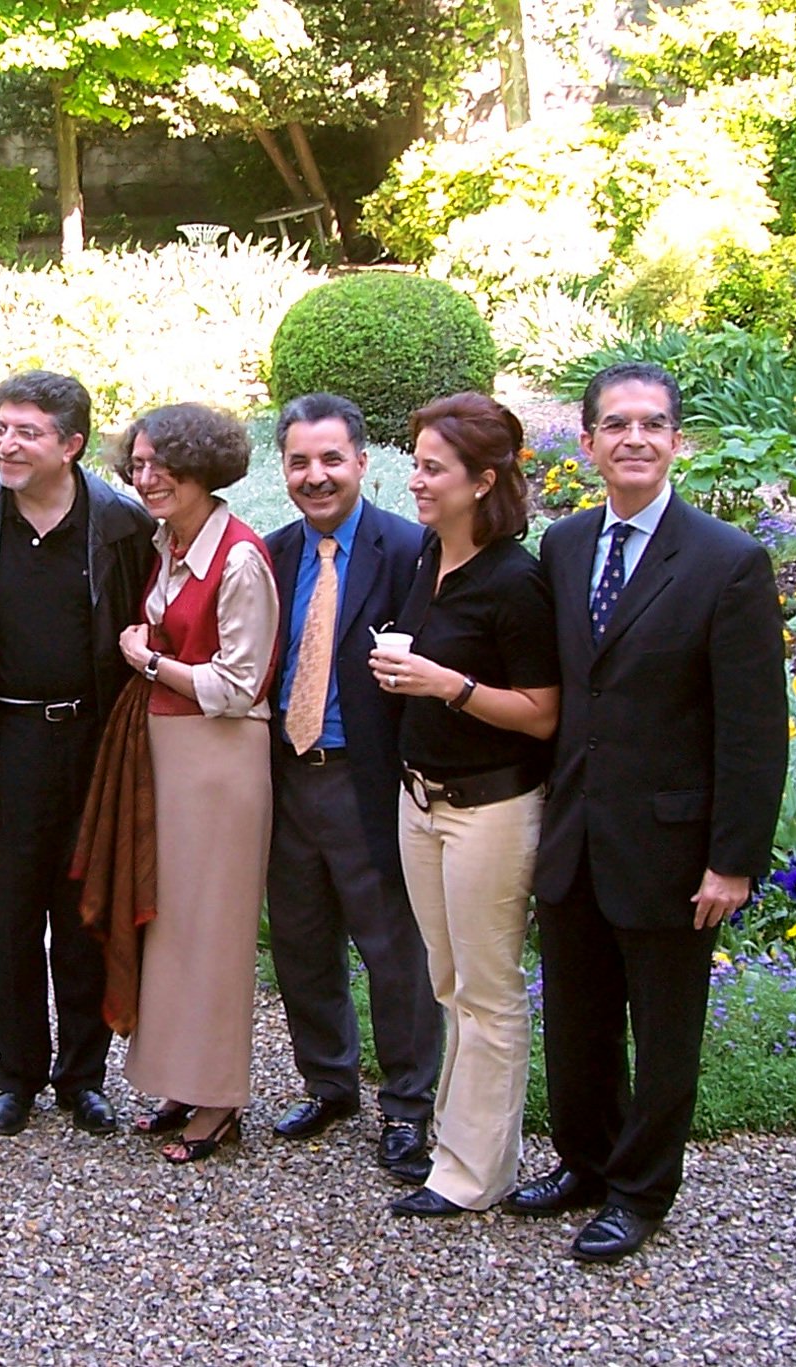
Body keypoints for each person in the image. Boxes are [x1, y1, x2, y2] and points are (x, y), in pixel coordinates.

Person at [510, 361, 786, 1261]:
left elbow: (752, 729)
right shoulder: (566, 546)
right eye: (616, 424)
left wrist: (733, 858)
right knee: (577, 1017)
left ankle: (639, 1190)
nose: (635, 438)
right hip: (576, 832)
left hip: (670, 846)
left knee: (663, 1030)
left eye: (653, 424)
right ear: (586, 442)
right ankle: (584, 1161)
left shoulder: (728, 561)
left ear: (678, 442)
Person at [368, 393, 560, 1217]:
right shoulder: (426, 560)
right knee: (449, 983)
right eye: (415, 463)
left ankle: (474, 1175)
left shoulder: (516, 580)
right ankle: (459, 1145)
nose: (414, 480)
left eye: (431, 468)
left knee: (487, 990)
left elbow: (543, 711)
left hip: (489, 810)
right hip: (421, 802)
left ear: (483, 480)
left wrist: (451, 686)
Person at [0, 371, 155, 1138]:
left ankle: (83, 1074)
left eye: (27, 431)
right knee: (8, 917)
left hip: (94, 741)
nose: (6, 443)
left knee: (84, 911)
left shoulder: (120, 526)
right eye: (2, 427)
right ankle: (16, 1076)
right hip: (4, 742)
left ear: (70, 445)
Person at [262, 393, 444, 1177]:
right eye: (300, 461)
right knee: (302, 945)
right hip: (286, 778)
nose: (316, 475)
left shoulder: (412, 552)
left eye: (331, 459)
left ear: (364, 463)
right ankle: (328, 1083)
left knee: (393, 952)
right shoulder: (269, 555)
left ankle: (407, 1107)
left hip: (368, 781)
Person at [112, 403, 280, 1164]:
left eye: (162, 465)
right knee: (172, 925)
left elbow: (238, 683)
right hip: (171, 750)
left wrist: (147, 661)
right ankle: (181, 1079)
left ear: (203, 467)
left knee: (213, 929)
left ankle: (220, 1099)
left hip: (219, 759)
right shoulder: (170, 539)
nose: (147, 478)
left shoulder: (240, 557)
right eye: (138, 464)